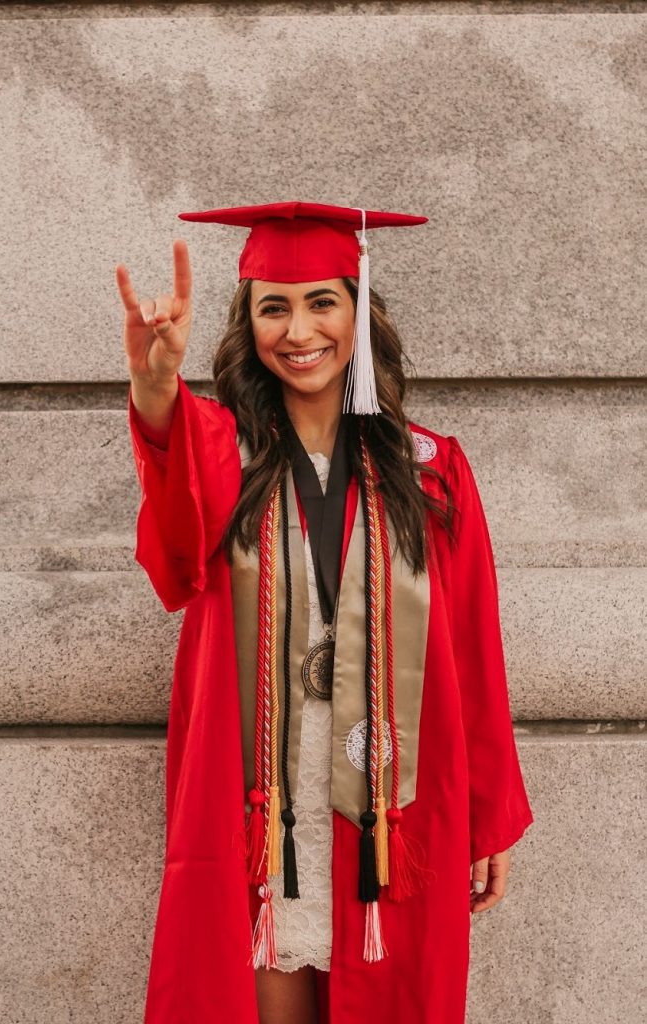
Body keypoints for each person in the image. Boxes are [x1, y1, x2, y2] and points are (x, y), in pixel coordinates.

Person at [115, 202, 534, 1024]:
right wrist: (154, 387)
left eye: (321, 302)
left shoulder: (433, 471)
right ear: (249, 324)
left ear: (358, 310)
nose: (299, 329)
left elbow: (473, 648)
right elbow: (171, 549)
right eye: (275, 306)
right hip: (265, 805)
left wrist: (490, 814)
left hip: (388, 805)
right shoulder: (219, 453)